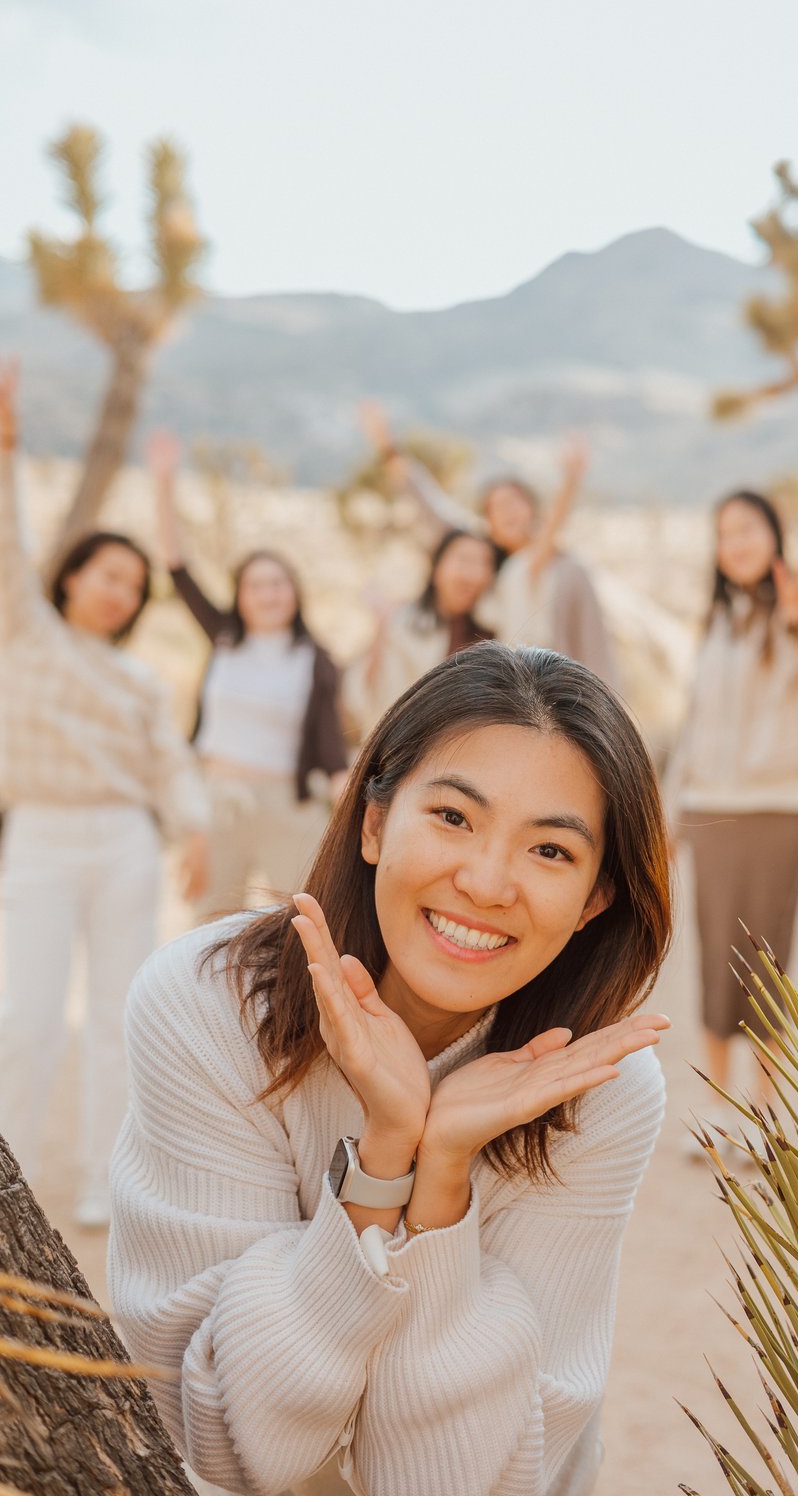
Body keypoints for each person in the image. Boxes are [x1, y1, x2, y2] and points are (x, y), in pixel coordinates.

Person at [108, 642, 672, 1496]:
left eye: (550, 851)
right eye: (452, 817)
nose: (485, 882)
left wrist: (442, 1181)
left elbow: (453, 1484)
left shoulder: (603, 1092)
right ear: (373, 821)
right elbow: (227, 1448)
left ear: (597, 898)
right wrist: (382, 1159)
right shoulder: (207, 1007)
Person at [0, 363, 209, 1228]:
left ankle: (101, 1180)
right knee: (23, 1015)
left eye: (133, 582)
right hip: (41, 836)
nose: (119, 588)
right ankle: (10, 1184)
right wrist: (7, 451)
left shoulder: (140, 679)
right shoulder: (25, 632)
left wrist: (192, 831)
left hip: (125, 842)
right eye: (106, 572)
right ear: (73, 577)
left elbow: (171, 765)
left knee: (121, 1018)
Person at [663, 489, 798, 1121]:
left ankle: (763, 1106)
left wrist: (797, 621)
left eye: (749, 528)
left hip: (780, 805)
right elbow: (695, 724)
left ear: (774, 535)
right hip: (712, 807)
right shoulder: (716, 623)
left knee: (768, 954)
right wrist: (673, 812)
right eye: (725, 531)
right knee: (714, 949)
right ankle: (713, 1101)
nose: (737, 542)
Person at [149, 429, 349, 918]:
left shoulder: (315, 657)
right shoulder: (223, 637)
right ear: (239, 595)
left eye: (278, 583)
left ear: (295, 593)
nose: (268, 593)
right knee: (208, 924)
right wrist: (163, 483)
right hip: (220, 800)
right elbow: (176, 566)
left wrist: (356, 808)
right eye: (255, 584)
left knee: (294, 925)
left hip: (290, 805)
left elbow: (331, 745)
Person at [359, 402, 619, 686]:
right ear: (488, 523)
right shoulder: (486, 558)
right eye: (499, 506)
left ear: (532, 510)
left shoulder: (542, 564)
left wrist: (570, 481)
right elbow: (429, 506)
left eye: (515, 502)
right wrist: (387, 447)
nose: (509, 512)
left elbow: (548, 538)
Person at [344, 526, 496, 741]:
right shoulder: (401, 620)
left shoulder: (492, 629)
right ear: (437, 568)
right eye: (464, 560)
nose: (475, 573)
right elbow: (367, 696)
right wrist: (381, 630)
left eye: (485, 563)